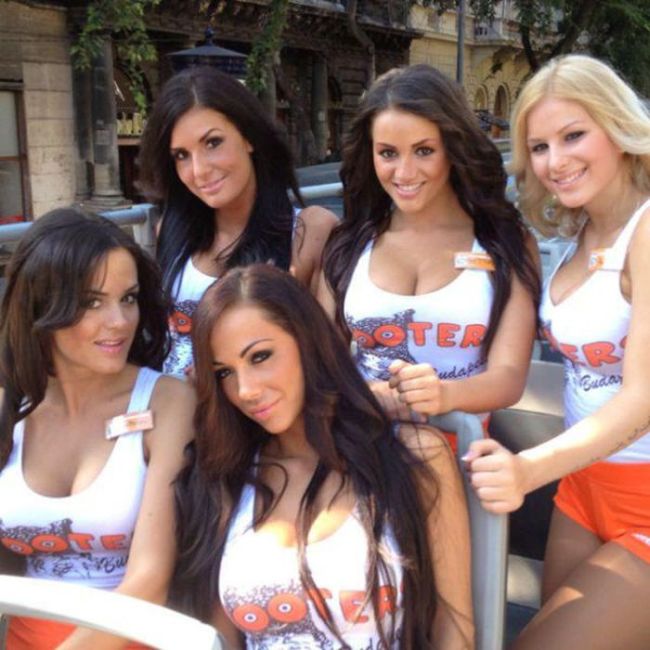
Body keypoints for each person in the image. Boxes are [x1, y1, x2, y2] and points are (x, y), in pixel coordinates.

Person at [173, 264, 474, 649]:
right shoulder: (225, 477)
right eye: (223, 373)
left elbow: (455, 627)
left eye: (260, 356)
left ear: (307, 341)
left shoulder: (413, 455)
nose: (245, 390)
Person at [467, 55, 650, 649]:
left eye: (573, 135)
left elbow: (642, 399)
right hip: (582, 487)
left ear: (618, 128)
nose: (555, 161)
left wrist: (527, 470)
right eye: (539, 147)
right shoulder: (578, 236)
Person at [0, 208, 195, 649]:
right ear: (42, 305)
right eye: (92, 302)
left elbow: (149, 581)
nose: (120, 321)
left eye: (128, 298)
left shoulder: (168, 402)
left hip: (129, 639)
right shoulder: (10, 407)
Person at [319, 64, 539, 443]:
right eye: (388, 153)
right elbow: (321, 363)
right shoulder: (348, 243)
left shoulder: (505, 242)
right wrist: (370, 398)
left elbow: (509, 378)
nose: (404, 173)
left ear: (452, 148)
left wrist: (442, 395)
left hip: (458, 451)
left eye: (424, 151)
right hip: (361, 446)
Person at [138, 66, 337, 377]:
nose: (199, 170)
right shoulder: (171, 230)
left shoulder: (309, 231)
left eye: (213, 143)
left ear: (248, 137)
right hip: (169, 398)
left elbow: (326, 358)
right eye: (181, 155)